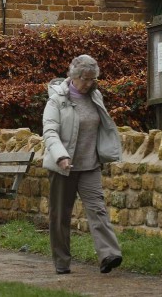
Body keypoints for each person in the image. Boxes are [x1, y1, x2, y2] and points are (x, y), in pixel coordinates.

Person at [41, 54, 123, 275]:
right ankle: (62, 262)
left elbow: (104, 126)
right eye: (84, 79)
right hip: (62, 167)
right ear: (73, 76)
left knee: (98, 210)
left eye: (91, 79)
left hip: (90, 165)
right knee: (60, 216)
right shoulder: (56, 100)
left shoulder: (95, 96)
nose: (88, 84)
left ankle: (108, 255)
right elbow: (49, 131)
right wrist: (61, 156)